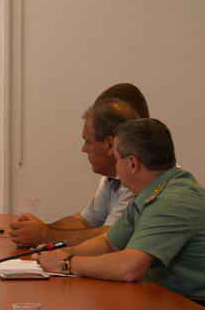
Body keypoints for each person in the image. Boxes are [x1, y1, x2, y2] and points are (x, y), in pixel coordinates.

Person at [37, 119, 205, 310]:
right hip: (177, 309)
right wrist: (63, 253)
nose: (116, 168)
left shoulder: (174, 201)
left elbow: (130, 267)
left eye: (117, 159)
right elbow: (109, 243)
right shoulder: (154, 191)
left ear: (132, 163)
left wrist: (67, 264)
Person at [10, 99, 141, 247]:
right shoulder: (112, 177)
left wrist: (44, 235)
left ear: (110, 144)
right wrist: (40, 229)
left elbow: (109, 238)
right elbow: (85, 221)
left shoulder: (135, 179)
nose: (83, 149)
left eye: (88, 141)